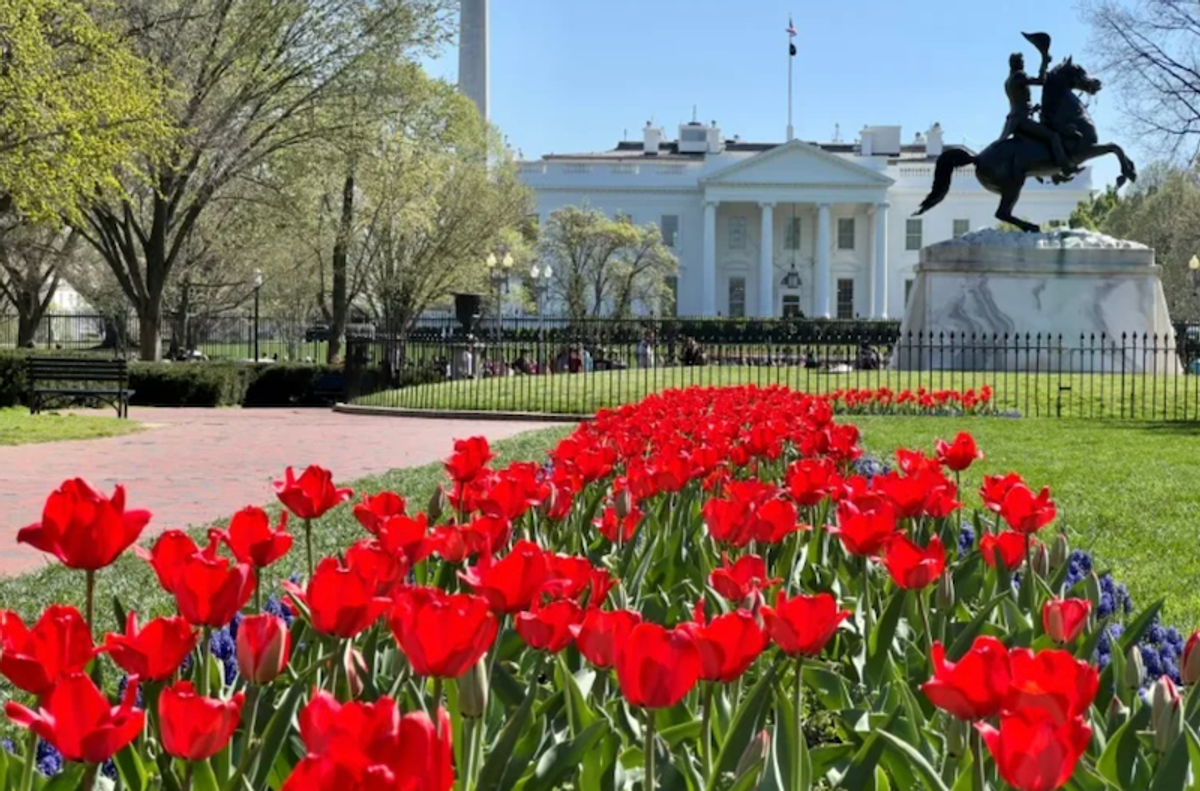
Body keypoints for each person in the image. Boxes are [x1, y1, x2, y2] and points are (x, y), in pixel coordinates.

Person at [1000, 48, 1073, 178]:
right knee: (1053, 136)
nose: (1024, 64)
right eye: (1022, 61)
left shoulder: (1008, 80)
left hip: (1015, 119)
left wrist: (1032, 109)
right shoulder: (1019, 76)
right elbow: (1041, 81)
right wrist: (1044, 61)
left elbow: (1019, 102)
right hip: (1022, 120)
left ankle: (1052, 172)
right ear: (1017, 63)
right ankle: (1065, 167)